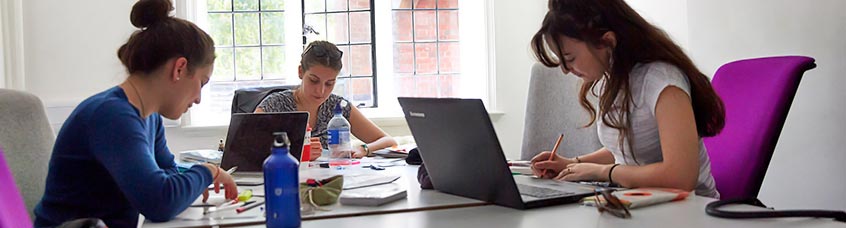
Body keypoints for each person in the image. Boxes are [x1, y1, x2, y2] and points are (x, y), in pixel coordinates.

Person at [34, 0, 238, 226]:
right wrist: (208, 172)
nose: (199, 98)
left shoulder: (148, 115)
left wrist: (195, 179)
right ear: (179, 68)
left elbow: (167, 172)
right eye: (201, 82)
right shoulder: (111, 117)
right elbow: (160, 202)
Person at [529, 0, 725, 198]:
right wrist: (573, 164)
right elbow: (629, 148)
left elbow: (681, 177)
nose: (565, 69)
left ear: (607, 42)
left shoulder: (663, 82)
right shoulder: (616, 77)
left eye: (570, 58)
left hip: (690, 211)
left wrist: (603, 172)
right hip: (644, 203)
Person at [255, 41, 397, 160]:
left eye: (329, 83)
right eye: (313, 80)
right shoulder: (275, 105)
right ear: (300, 72)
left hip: (330, 182)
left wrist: (364, 148)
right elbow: (243, 149)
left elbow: (389, 141)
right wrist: (297, 153)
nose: (321, 91)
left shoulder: (337, 106)